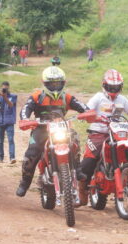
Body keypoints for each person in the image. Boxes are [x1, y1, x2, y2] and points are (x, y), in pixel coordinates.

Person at [16, 66, 88, 197]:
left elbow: (82, 106)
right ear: (45, 83)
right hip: (41, 128)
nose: (55, 86)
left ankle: (77, 168)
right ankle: (24, 183)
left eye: (58, 83)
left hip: (61, 127)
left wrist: (88, 113)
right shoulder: (37, 96)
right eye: (51, 83)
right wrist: (25, 119)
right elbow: (25, 108)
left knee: (75, 138)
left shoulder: (67, 97)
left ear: (63, 83)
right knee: (31, 153)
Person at [78, 69, 128, 206]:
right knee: (89, 161)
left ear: (121, 87)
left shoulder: (122, 99)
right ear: (104, 85)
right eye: (110, 86)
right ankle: (82, 190)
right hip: (98, 133)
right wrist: (90, 115)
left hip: (118, 132)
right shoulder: (98, 97)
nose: (113, 89)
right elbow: (86, 109)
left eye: (116, 87)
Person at [0, 81, 17, 164]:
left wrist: (5, 97)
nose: (5, 89)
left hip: (9, 121)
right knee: (0, 141)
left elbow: (11, 105)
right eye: (3, 88)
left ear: (8, 87)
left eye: (6, 88)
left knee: (10, 140)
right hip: (0, 121)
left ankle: (12, 157)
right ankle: (1, 157)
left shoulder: (13, 96)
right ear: (1, 87)